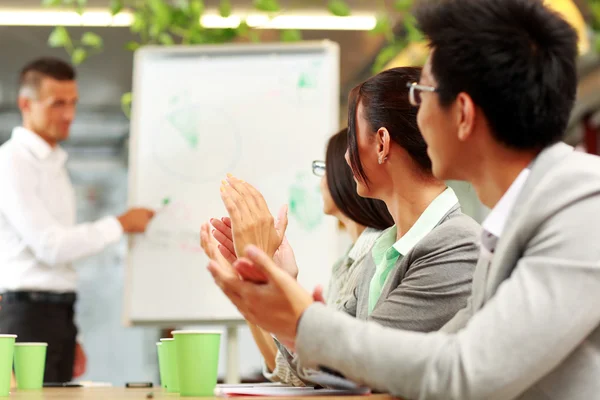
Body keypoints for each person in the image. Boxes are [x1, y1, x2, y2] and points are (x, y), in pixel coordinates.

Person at [206, 0, 600, 398]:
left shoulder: (582, 208)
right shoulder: (514, 223)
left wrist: (305, 321)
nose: (417, 114)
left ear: (461, 113)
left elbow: (463, 372)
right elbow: (434, 357)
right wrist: (296, 314)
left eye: (422, 92)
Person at [206, 66, 481, 376]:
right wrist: (277, 277)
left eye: (352, 137)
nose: (347, 158)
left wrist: (275, 282)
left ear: (381, 143)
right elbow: (312, 370)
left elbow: (352, 363)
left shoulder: (457, 243)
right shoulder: (381, 250)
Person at [0, 57, 155, 383]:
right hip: (27, 317)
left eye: (73, 103)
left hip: (56, 313)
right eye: (57, 104)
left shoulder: (54, 163)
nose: (69, 114)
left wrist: (72, 333)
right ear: (25, 104)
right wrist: (120, 224)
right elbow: (50, 247)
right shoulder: (12, 161)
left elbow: (56, 265)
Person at [203, 129, 393, 386]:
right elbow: (287, 368)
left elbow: (317, 374)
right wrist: (248, 283)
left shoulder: (376, 254)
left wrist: (266, 275)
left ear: (346, 171)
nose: (320, 181)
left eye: (324, 168)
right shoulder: (349, 259)